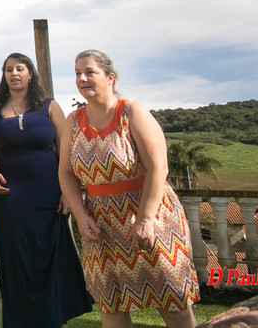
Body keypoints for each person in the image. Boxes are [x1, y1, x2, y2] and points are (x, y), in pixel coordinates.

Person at [57, 49, 199, 328]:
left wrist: (145, 219)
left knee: (172, 301)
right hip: (101, 223)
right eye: (77, 73)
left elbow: (159, 168)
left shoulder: (132, 112)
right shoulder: (73, 121)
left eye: (90, 72)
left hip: (149, 216)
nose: (82, 78)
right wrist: (80, 215)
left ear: (110, 77)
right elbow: (65, 172)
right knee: (112, 305)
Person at [0, 53, 93, 328]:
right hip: (10, 198)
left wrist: (67, 193)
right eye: (8, 69)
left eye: (19, 68)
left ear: (30, 73)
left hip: (49, 195)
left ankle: (56, 319)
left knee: (49, 255)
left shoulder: (49, 106)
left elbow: (66, 153)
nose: (14, 74)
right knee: (16, 258)